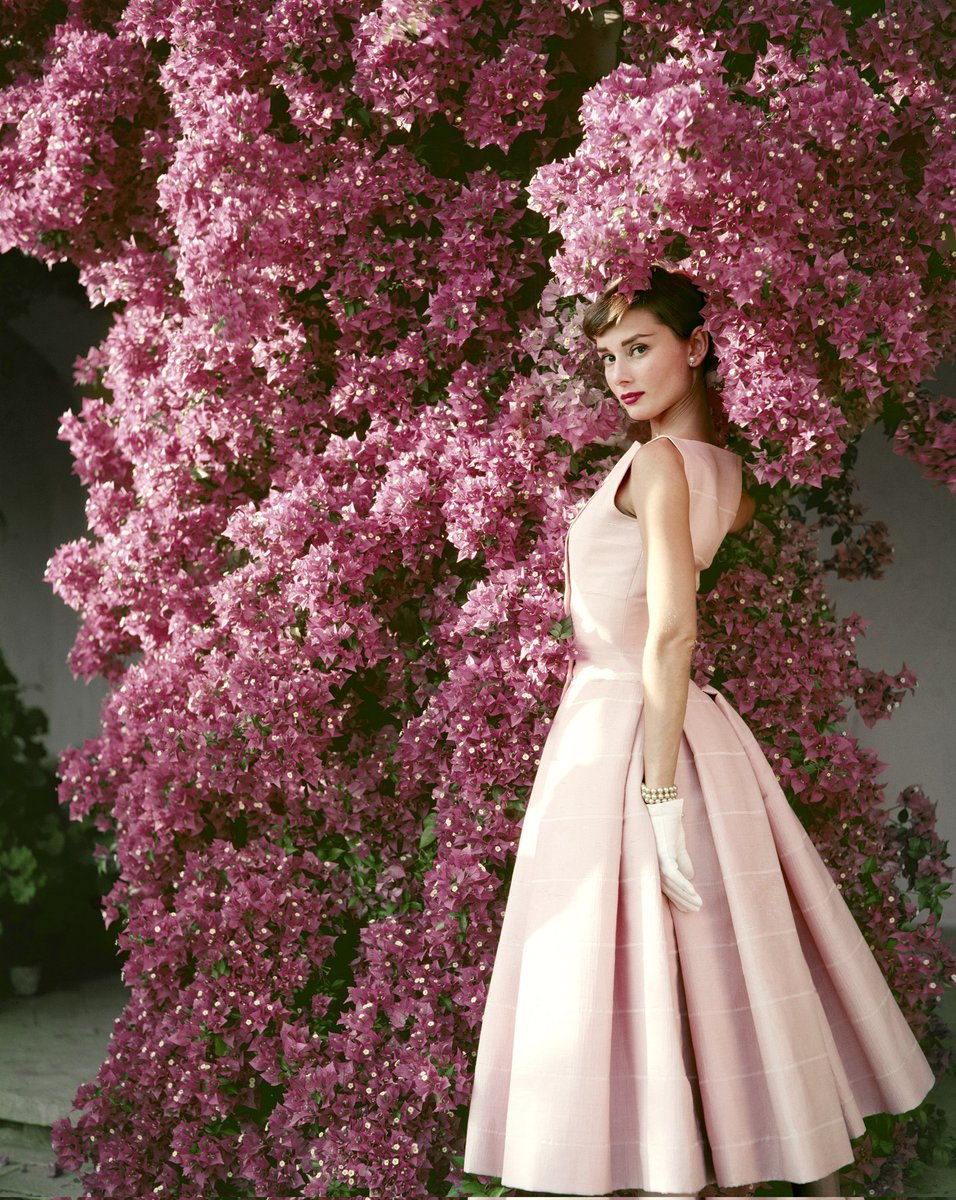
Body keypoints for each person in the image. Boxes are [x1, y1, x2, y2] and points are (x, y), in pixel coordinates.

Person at [461, 268, 935, 1199]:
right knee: (711, 975)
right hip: (677, 723)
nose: (620, 374)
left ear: (698, 346)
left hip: (627, 728)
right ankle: (725, 1160)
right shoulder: (730, 475)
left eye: (640, 346)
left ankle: (659, 1167)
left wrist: (660, 788)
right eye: (607, 357)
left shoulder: (661, 465)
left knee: (619, 971)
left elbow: (672, 629)